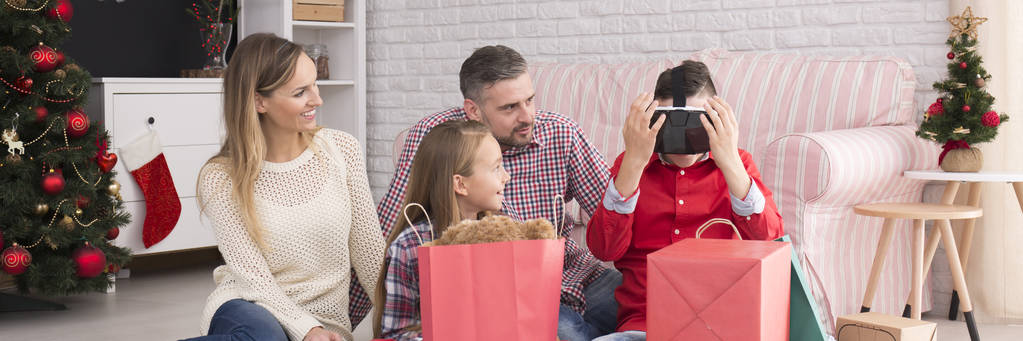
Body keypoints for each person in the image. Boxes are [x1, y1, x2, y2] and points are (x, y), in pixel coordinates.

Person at [377, 45, 621, 340]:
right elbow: (386, 237)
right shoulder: (440, 139)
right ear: (473, 110)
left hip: (573, 274)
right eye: (509, 107)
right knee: (558, 331)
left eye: (529, 100)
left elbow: (615, 221)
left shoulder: (562, 133)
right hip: (510, 296)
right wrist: (339, 323)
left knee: (650, 308)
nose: (528, 117)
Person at [188, 33, 385, 341]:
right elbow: (253, 279)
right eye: (300, 92)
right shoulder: (221, 177)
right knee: (267, 335)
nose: (317, 99)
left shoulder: (342, 150)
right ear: (259, 101)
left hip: (325, 326)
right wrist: (306, 330)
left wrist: (406, 321)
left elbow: (371, 256)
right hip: (249, 307)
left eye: (315, 85)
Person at [587, 61, 785, 341]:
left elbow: (770, 242)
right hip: (645, 325)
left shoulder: (738, 164)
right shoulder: (631, 164)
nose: (683, 138)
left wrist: (730, 162)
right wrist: (634, 162)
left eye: (696, 124)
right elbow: (604, 249)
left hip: (721, 326)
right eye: (671, 124)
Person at [372, 120, 511, 340]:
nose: (506, 176)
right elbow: (396, 334)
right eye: (496, 168)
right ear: (461, 184)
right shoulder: (410, 246)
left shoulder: (503, 235)